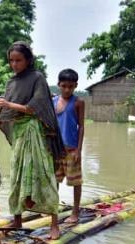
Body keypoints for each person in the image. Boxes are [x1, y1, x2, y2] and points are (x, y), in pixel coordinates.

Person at [0, 41, 65, 240]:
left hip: (34, 133)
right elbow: (3, 114)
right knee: (17, 174)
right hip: (19, 134)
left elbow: (35, 106)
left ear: (28, 60)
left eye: (18, 60)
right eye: (11, 60)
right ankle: (18, 218)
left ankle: (54, 223)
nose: (14, 64)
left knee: (44, 175)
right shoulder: (11, 83)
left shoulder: (37, 78)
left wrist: (9, 103)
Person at [53, 68, 85, 223]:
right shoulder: (52, 102)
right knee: (54, 182)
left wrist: (79, 149)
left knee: (75, 182)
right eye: (64, 86)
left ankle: (75, 212)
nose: (67, 89)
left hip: (72, 150)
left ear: (75, 86)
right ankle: (53, 211)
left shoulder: (78, 102)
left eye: (70, 86)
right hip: (56, 150)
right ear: (59, 84)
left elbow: (81, 126)